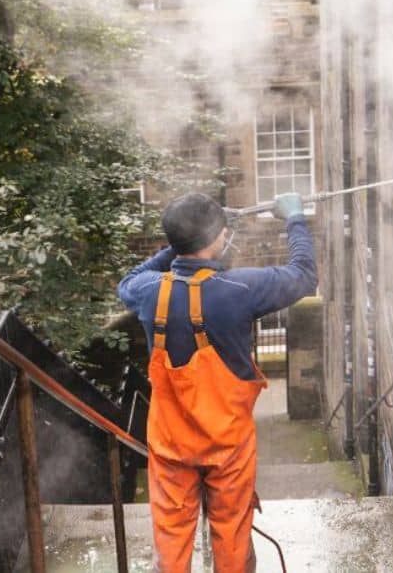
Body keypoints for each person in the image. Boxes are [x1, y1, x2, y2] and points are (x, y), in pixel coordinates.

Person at [117, 191, 317, 573]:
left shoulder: (147, 291)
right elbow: (304, 276)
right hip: (228, 448)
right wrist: (294, 218)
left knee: (171, 549)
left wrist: (179, 245)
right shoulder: (240, 290)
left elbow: (127, 280)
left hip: (170, 447)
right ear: (216, 237)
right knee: (232, 542)